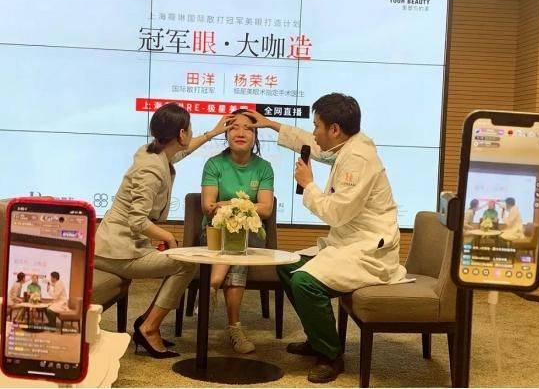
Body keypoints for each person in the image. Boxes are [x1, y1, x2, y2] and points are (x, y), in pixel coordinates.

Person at [248, 93, 407, 383]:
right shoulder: (349, 144)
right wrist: (271, 124)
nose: (314, 132)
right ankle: (317, 337)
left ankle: (330, 355)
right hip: (348, 242)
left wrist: (308, 184)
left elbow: (336, 214)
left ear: (334, 129)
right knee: (287, 265)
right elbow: (317, 147)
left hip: (368, 249)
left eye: (317, 126)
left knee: (304, 281)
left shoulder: (358, 158)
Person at [94, 103, 232, 358]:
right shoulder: (151, 170)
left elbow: (181, 153)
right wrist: (168, 236)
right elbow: (137, 221)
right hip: (118, 252)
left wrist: (211, 134)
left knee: (183, 261)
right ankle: (148, 328)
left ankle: (147, 323)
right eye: (190, 128)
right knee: (185, 263)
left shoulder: (153, 153)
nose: (191, 133)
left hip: (118, 245)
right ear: (181, 133)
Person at [200, 109, 274, 354]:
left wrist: (230, 205)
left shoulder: (264, 168)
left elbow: (266, 209)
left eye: (248, 128)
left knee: (240, 245)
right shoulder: (214, 164)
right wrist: (241, 206)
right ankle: (235, 328)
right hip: (215, 233)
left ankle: (213, 283)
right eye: (233, 127)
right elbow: (208, 206)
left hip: (251, 235)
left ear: (256, 136)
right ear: (226, 133)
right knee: (236, 249)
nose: (240, 133)